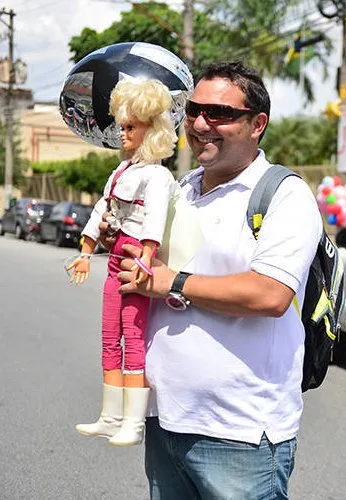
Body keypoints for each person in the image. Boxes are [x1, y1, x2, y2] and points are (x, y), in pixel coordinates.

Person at [105, 61, 321, 499]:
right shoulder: (179, 188)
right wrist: (121, 239)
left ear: (257, 124)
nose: (201, 124)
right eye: (193, 110)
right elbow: (149, 272)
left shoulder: (284, 194)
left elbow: (270, 293)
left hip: (238, 433)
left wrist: (173, 282)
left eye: (220, 113)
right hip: (165, 419)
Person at [68, 78, 178, 447]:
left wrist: (147, 257)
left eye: (132, 126)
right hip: (116, 258)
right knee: (108, 336)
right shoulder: (121, 171)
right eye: (123, 126)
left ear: (151, 129)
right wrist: (86, 251)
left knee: (133, 337)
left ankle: (132, 422)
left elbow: (155, 219)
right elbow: (102, 208)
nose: (124, 133)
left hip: (135, 260)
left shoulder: (158, 175)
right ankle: (110, 415)